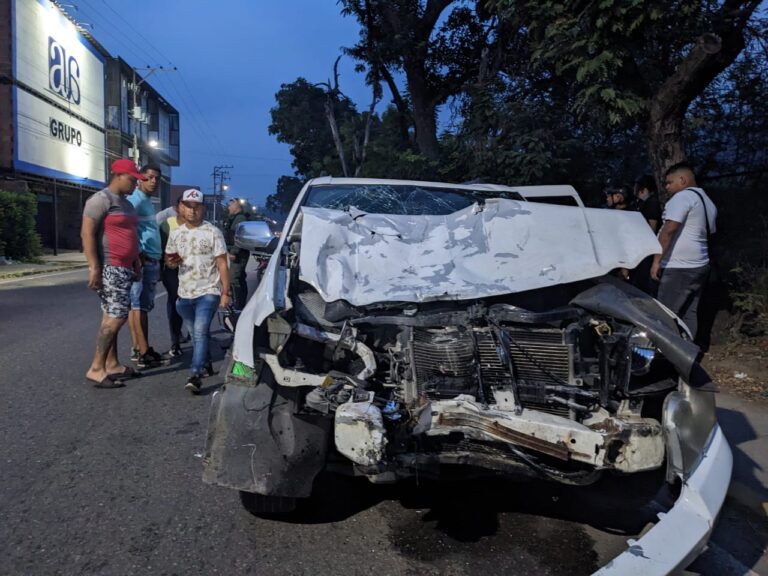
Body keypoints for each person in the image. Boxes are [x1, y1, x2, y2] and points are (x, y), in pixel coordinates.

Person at [80, 159, 146, 388]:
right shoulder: (100, 200)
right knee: (117, 316)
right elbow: (87, 234)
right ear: (117, 175)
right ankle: (96, 368)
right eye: (132, 180)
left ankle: (112, 364)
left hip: (126, 266)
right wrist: (94, 267)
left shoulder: (125, 203)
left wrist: (136, 259)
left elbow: (130, 233)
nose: (135, 185)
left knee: (112, 313)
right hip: (111, 265)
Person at [165, 189, 231, 394]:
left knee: (201, 331)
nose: (192, 211)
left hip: (208, 291)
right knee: (195, 334)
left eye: (196, 207)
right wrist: (172, 262)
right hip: (184, 294)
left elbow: (222, 263)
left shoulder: (213, 232)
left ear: (203, 208)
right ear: (181, 208)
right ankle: (206, 361)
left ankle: (195, 374)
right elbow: (169, 261)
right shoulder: (176, 233)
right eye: (188, 207)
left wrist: (225, 292)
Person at [651, 162, 717, 339]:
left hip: (679, 267)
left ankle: (665, 359)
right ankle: (688, 355)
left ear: (682, 180)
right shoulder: (707, 201)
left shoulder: (683, 197)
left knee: (665, 315)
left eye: (669, 182)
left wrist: (657, 260)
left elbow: (669, 230)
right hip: (700, 265)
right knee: (689, 313)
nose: (666, 187)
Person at [127, 164, 164, 368]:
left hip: (150, 260)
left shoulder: (146, 201)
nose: (153, 181)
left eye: (157, 178)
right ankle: (143, 351)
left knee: (139, 307)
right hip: (144, 261)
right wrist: (138, 255)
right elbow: (125, 226)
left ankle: (140, 348)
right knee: (138, 307)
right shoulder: (136, 200)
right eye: (149, 177)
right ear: (140, 179)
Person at [156, 196, 186, 358]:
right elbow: (160, 248)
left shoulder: (199, 226)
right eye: (185, 205)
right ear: (177, 206)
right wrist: (160, 268)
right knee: (175, 299)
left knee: (186, 302)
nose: (189, 209)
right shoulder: (166, 223)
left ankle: (185, 334)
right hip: (171, 270)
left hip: (190, 272)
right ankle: (175, 340)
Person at [631, 175, 663, 295]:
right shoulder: (641, 204)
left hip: (648, 252)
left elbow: (652, 227)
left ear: (643, 189)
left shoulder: (652, 203)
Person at [222, 198, 250, 310]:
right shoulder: (236, 218)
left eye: (230, 205)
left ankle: (238, 306)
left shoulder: (240, 219)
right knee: (240, 278)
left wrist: (233, 252)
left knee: (235, 279)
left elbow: (238, 237)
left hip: (238, 254)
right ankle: (240, 304)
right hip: (237, 252)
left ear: (236, 206)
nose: (228, 207)